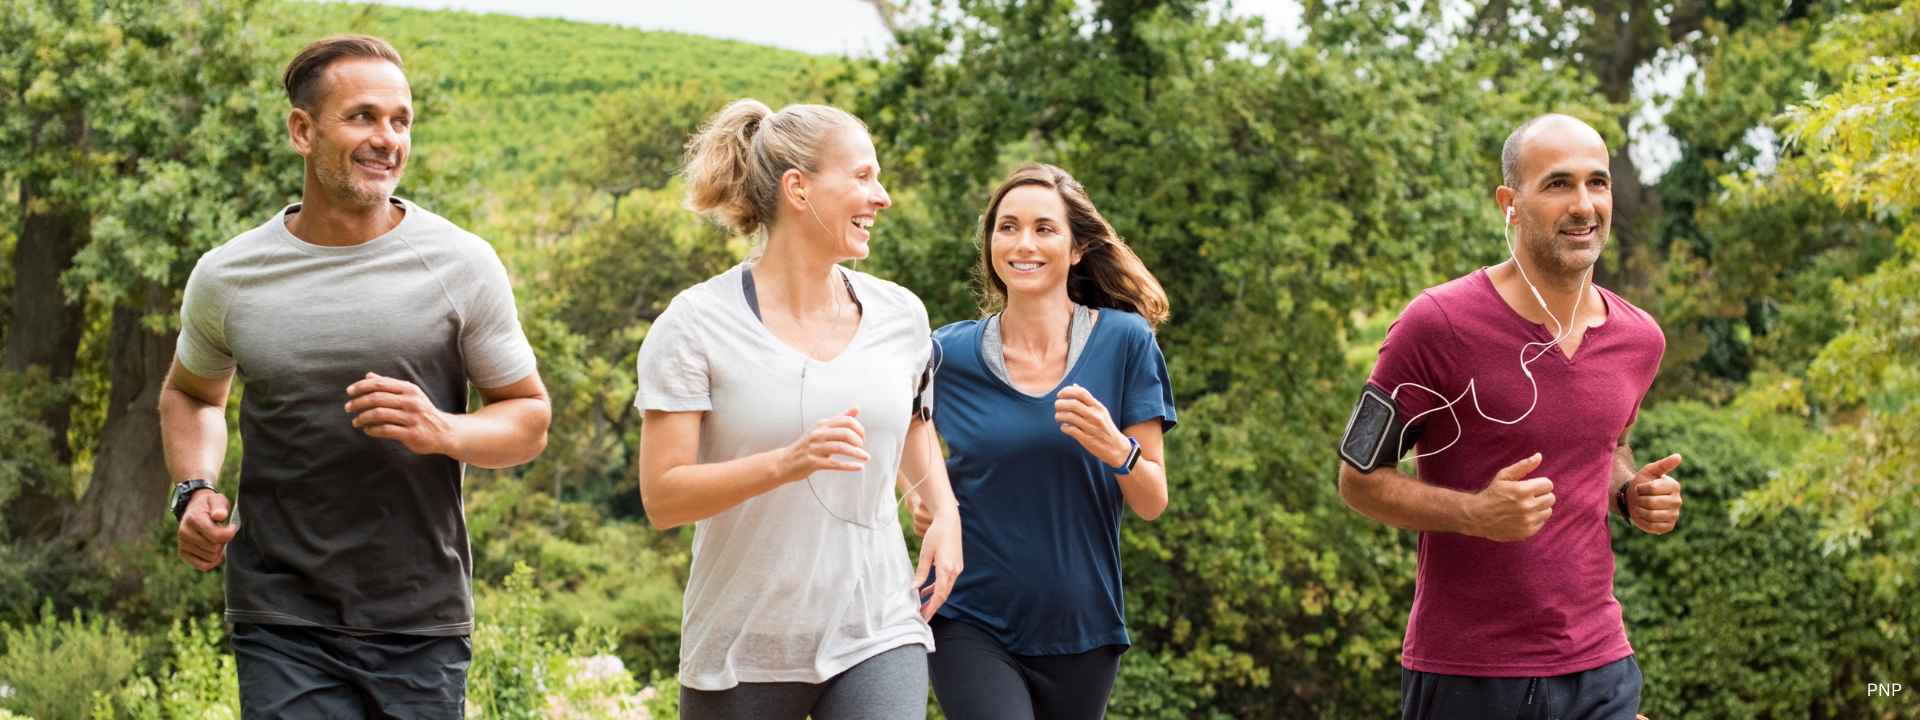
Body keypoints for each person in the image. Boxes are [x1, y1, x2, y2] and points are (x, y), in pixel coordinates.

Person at [160, 34, 550, 717]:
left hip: (418, 618)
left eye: (401, 121)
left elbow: (528, 420)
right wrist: (194, 488)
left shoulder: (462, 264)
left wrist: (445, 429)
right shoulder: (229, 276)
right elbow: (192, 394)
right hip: (281, 616)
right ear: (302, 130)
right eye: (363, 116)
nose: (387, 139)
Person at [1335, 114, 1685, 720]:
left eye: (1596, 184)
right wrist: (1474, 513)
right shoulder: (1435, 325)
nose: (1583, 205)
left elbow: (1607, 448)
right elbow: (1356, 478)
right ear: (1511, 204)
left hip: (1599, 664)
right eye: (1557, 185)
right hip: (1468, 673)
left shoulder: (1639, 339)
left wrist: (1630, 492)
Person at [633, 99, 964, 720]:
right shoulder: (697, 325)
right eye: (863, 177)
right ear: (799, 189)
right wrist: (787, 462)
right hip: (743, 644)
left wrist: (943, 511)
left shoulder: (902, 316)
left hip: (877, 625)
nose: (882, 196)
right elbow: (663, 497)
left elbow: (914, 425)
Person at [909, 163, 1177, 720]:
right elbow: (907, 430)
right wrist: (928, 496)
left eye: (1043, 228)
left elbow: (1152, 501)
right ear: (990, 244)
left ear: (1077, 248)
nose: (1022, 243)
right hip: (966, 615)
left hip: (1083, 627)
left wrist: (1115, 448)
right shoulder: (945, 353)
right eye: (1006, 228)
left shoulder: (1126, 342)